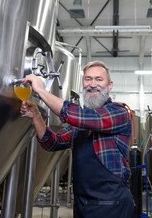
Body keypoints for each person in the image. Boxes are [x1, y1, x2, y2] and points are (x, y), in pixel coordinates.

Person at [20, 60, 135, 218]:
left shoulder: (119, 112)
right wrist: (36, 117)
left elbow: (82, 117)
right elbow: (52, 142)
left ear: (110, 85)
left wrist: (41, 91)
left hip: (112, 204)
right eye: (87, 79)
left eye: (99, 79)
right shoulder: (80, 124)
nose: (92, 84)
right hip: (82, 204)